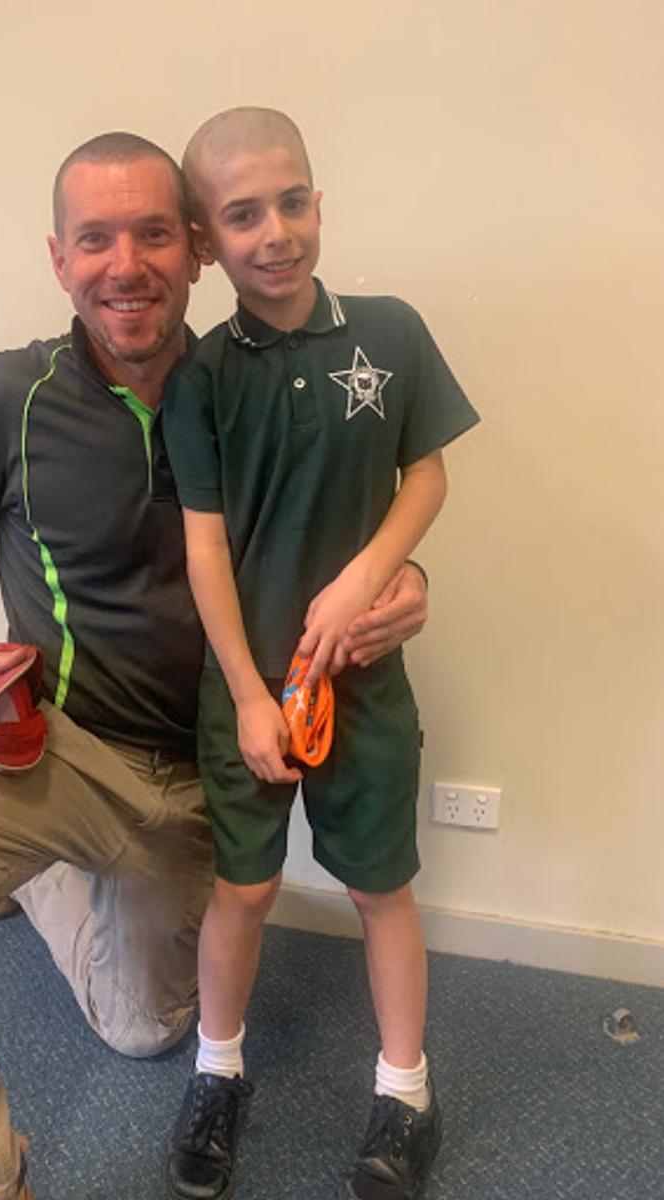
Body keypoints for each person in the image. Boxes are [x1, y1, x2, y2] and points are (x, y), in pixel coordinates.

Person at [0, 132, 431, 1200]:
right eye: (94, 239)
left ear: (195, 251)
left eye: (151, 235)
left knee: (146, 1031)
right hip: (58, 751)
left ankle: (47, 881)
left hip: (210, 771)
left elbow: (349, 507)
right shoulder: (4, 395)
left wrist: (402, 582)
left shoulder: (248, 384)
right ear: (59, 259)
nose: (124, 265)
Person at [162, 108, 479, 1200]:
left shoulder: (391, 333)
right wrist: (249, 696)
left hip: (367, 688)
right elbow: (205, 545)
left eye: (292, 202)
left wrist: (364, 580)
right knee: (244, 890)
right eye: (243, 215)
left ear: (319, 201)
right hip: (248, 690)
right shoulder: (200, 377)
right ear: (206, 242)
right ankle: (217, 1072)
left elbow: (427, 472)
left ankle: (406, 1093)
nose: (276, 233)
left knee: (381, 890)